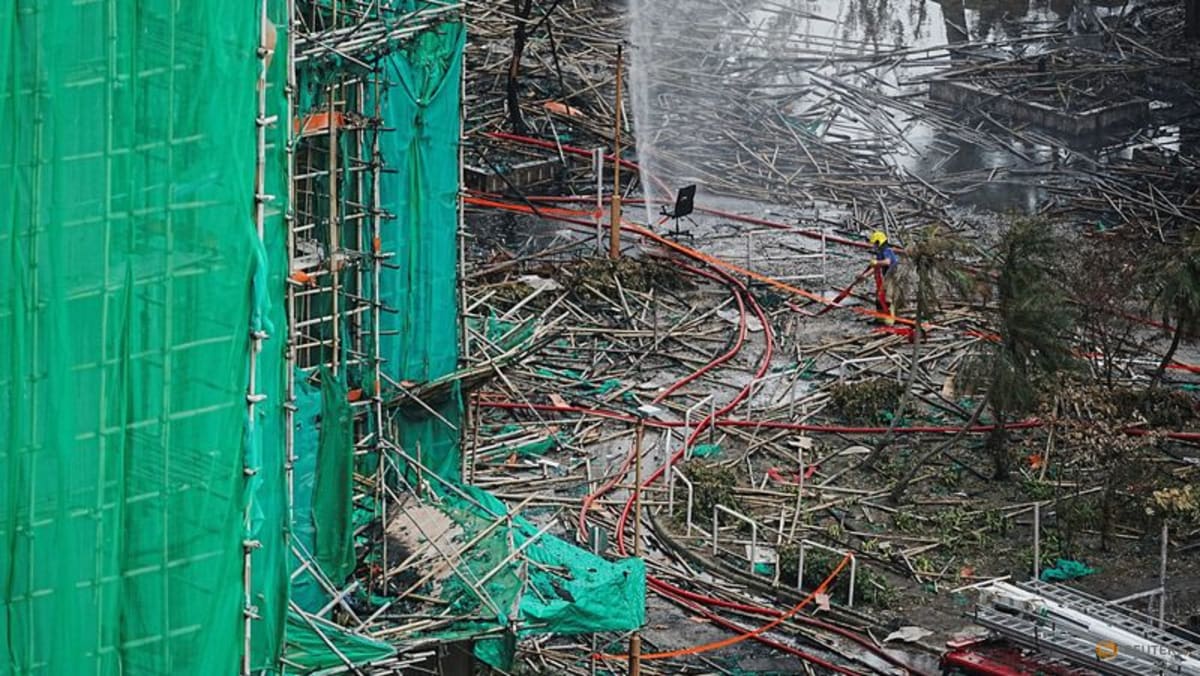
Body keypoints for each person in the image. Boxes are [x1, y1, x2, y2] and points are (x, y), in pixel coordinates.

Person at [868, 231, 898, 325]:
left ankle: (889, 320)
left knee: (887, 298)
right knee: (879, 297)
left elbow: (887, 262)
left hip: (892, 276)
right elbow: (876, 267)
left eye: (875, 243)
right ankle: (880, 319)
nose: (874, 246)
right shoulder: (880, 253)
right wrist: (864, 276)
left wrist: (876, 262)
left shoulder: (887, 251)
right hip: (886, 275)